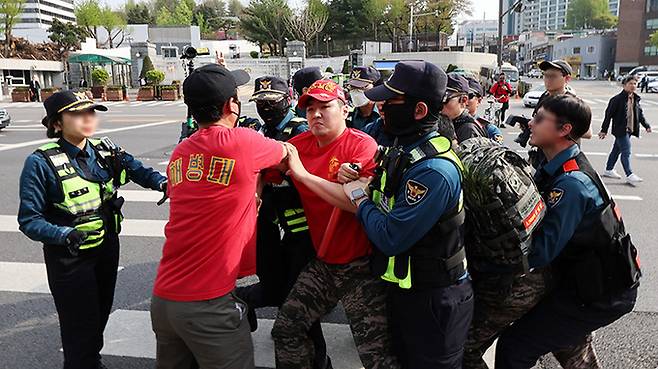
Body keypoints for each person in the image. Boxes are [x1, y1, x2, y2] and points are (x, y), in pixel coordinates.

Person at [150, 64, 288, 369]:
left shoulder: (181, 151)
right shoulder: (243, 142)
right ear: (231, 105)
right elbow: (286, 153)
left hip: (164, 299)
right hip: (208, 304)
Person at [18, 91, 167, 369]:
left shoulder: (104, 149)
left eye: (91, 112)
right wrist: (63, 235)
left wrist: (163, 183)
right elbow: (29, 219)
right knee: (79, 325)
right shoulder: (40, 162)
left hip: (106, 247)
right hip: (69, 256)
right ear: (57, 124)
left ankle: (90, 361)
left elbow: (138, 170)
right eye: (76, 113)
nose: (87, 118)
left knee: (99, 315)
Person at [341, 60, 474, 369]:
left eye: (390, 101)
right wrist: (360, 175)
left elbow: (391, 237)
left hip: (436, 298)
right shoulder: (403, 147)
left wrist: (360, 200)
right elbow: (385, 192)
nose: (382, 108)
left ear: (419, 111)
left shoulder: (433, 171)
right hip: (408, 290)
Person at [495, 95, 640, 368]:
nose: (530, 122)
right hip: (587, 280)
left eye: (539, 119)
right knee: (566, 343)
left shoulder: (572, 184)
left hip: (602, 292)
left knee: (515, 346)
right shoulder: (556, 167)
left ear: (564, 130)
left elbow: (539, 253)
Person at [271, 79, 400, 369]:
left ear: (344, 110)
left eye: (325, 107)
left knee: (376, 357)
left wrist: (302, 175)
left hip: (362, 266)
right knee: (286, 329)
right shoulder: (298, 145)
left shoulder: (361, 145)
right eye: (310, 108)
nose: (316, 114)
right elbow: (263, 165)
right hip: (325, 262)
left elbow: (355, 203)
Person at [236, 76, 330, 369]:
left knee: (300, 308)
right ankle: (245, 300)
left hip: (303, 231)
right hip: (277, 229)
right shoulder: (263, 132)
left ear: (287, 100)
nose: (265, 108)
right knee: (276, 287)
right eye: (260, 103)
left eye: (271, 102)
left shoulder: (300, 132)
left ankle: (319, 363)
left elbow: (310, 179)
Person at [600, 75, 652, 185]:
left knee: (616, 150)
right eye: (631, 84)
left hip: (630, 129)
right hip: (620, 130)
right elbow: (608, 115)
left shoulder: (635, 99)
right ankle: (629, 174)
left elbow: (640, 115)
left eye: (635, 84)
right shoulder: (616, 100)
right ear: (624, 85)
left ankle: (609, 170)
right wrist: (603, 130)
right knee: (626, 151)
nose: (633, 86)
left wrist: (646, 125)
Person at [443, 73, 487, 143]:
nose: (440, 104)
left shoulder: (468, 129)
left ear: (463, 100)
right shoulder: (449, 121)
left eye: (445, 98)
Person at [465, 75, 503, 143]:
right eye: (459, 96)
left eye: (469, 96)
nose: (463, 100)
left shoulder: (489, 129)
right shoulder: (444, 124)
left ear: (479, 101)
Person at [346, 66, 382, 131]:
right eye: (352, 87)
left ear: (375, 87)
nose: (356, 91)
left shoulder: (383, 114)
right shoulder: (347, 116)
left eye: (362, 87)